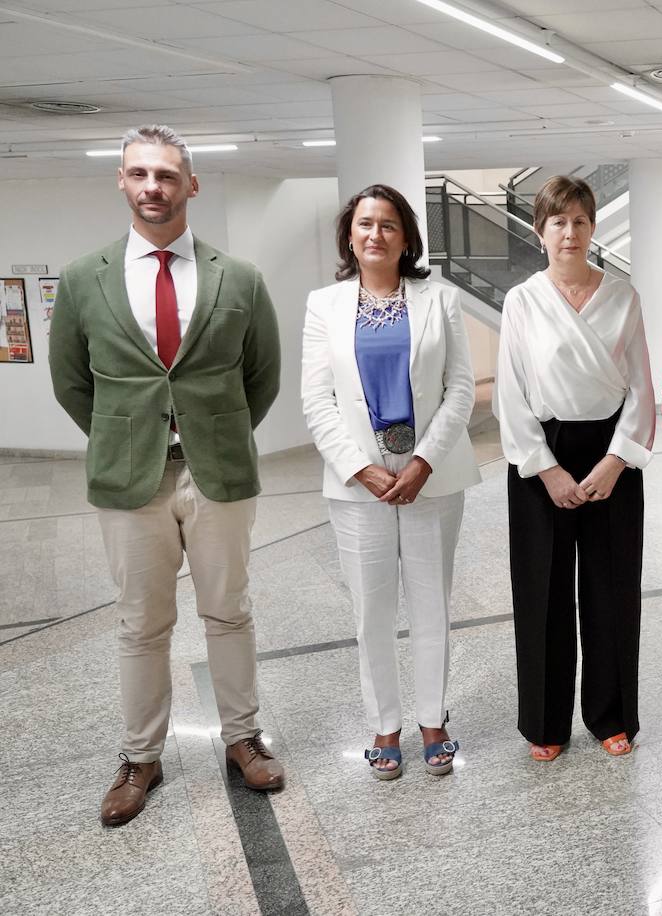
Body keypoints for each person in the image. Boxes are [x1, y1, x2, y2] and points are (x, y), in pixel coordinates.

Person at [48, 124, 283, 826]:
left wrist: (213, 432)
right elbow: (70, 382)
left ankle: (242, 739)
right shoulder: (85, 278)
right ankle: (140, 757)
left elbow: (261, 377)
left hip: (217, 475)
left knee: (228, 611)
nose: (154, 186)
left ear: (192, 185)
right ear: (121, 181)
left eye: (167, 175)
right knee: (141, 624)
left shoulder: (236, 278)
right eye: (140, 174)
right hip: (131, 484)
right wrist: (129, 441)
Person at [301, 184, 481, 780]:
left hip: (431, 473)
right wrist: (361, 468)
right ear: (349, 236)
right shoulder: (323, 305)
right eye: (364, 224)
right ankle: (384, 724)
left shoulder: (441, 300)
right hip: (358, 485)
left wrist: (425, 460)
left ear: (407, 238)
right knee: (371, 611)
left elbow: (460, 387)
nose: (375, 234)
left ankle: (432, 720)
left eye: (388, 225)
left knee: (432, 603)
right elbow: (317, 399)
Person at [495, 175, 655, 761]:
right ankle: (545, 723)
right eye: (557, 222)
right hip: (544, 453)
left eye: (580, 221)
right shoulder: (522, 300)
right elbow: (509, 394)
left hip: (612, 451)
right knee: (544, 591)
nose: (570, 232)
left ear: (593, 228)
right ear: (540, 232)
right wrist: (547, 470)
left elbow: (641, 387)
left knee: (612, 591)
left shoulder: (623, 296)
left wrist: (618, 460)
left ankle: (610, 715)